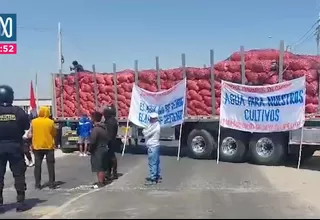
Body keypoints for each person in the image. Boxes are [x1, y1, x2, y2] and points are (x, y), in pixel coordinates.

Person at [0, 85, 30, 212]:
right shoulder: (18, 111)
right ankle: (20, 202)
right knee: (18, 175)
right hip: (15, 147)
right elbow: (26, 126)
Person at [29, 106, 57, 190]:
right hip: (48, 146)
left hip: (37, 147)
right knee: (50, 166)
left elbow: (31, 133)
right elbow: (54, 133)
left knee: (37, 166)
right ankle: (51, 184)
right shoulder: (50, 122)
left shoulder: (33, 121)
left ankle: (37, 184)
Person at [89, 111, 109, 189]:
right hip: (104, 148)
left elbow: (93, 141)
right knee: (102, 166)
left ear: (94, 118)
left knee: (99, 166)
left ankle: (100, 182)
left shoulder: (96, 129)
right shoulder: (104, 128)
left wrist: (90, 149)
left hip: (98, 149)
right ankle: (102, 180)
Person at [142, 112, 162, 185]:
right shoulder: (155, 125)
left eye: (151, 118)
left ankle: (153, 179)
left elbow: (146, 134)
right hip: (155, 146)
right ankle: (157, 176)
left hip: (152, 146)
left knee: (152, 163)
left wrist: (144, 131)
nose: (150, 120)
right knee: (156, 162)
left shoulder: (155, 127)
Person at [103, 105, 118, 180]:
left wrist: (107, 142)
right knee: (109, 157)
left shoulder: (110, 122)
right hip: (111, 140)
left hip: (110, 141)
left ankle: (112, 173)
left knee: (111, 157)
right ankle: (109, 172)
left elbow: (110, 133)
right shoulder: (112, 120)